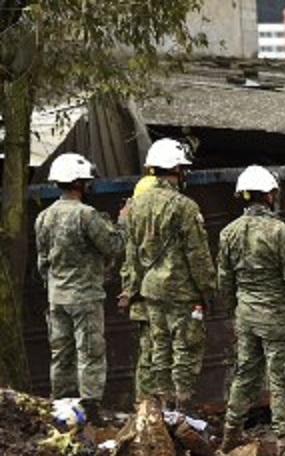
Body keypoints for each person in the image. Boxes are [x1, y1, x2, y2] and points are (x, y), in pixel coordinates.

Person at [218, 166, 285, 453]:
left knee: (245, 375)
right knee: (283, 380)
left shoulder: (228, 233)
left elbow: (224, 281)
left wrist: (235, 312)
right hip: (278, 319)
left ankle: (230, 432)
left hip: (246, 317)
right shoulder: (280, 232)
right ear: (270, 196)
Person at [124, 139, 215, 411]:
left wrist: (132, 288)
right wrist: (208, 289)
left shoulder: (136, 206)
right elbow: (197, 254)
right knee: (186, 349)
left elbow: (132, 253)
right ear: (176, 168)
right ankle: (182, 408)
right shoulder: (185, 206)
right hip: (182, 292)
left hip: (150, 291)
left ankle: (159, 409)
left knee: (158, 349)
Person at [35, 153, 123, 424]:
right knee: (90, 353)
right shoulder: (86, 215)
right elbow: (113, 246)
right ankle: (91, 410)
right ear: (78, 182)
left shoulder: (43, 218)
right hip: (85, 297)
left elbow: (42, 262)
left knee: (60, 354)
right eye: (86, 180)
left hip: (56, 296)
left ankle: (60, 410)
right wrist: (123, 222)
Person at [118, 175, 158, 402]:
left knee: (147, 354)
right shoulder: (155, 225)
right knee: (157, 354)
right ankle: (151, 408)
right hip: (157, 300)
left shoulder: (133, 225)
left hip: (142, 299)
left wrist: (129, 291)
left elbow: (131, 264)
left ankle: (144, 406)